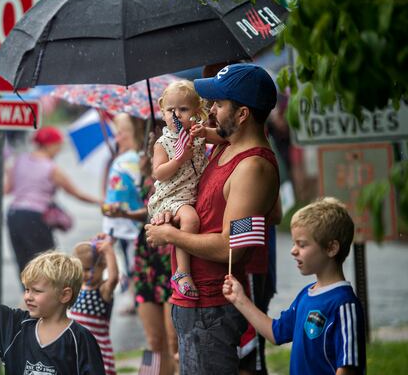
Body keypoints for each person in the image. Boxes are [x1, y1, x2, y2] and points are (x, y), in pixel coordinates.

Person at [144, 63, 280, 374]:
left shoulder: (252, 168)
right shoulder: (226, 146)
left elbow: (233, 248)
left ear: (242, 114)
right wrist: (169, 211)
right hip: (194, 301)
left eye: (219, 104)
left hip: (211, 307)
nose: (211, 110)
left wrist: (170, 236)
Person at [223, 197, 366, 375]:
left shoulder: (344, 304)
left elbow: (347, 366)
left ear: (331, 248)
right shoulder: (305, 296)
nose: (293, 250)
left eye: (302, 244)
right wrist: (240, 299)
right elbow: (276, 333)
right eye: (293, 243)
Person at [0, 247, 106, 375]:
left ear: (64, 295)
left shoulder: (80, 339)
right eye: (27, 289)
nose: (28, 297)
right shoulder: (17, 325)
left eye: (37, 291)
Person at [104, 120, 179, 375]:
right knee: (154, 341)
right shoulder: (145, 175)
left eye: (152, 144)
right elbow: (148, 213)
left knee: (173, 341)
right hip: (146, 257)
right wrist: (124, 213)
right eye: (146, 144)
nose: (146, 150)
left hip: (171, 259)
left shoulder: (178, 173)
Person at [148, 79, 224, 300]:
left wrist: (205, 132)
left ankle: (184, 269)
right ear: (162, 112)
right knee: (190, 221)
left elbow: (224, 137)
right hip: (173, 195)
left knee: (194, 218)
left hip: (193, 192)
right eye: (170, 110)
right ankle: (182, 272)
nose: (176, 115)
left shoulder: (196, 133)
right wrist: (180, 159)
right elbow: (159, 173)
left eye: (183, 109)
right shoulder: (164, 142)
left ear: (196, 111)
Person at [5, 126, 102, 279]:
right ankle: (44, 299)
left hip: (14, 215)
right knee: (46, 264)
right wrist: (100, 202)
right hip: (34, 218)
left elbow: (7, 189)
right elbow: (75, 193)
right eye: (58, 146)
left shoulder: (19, 160)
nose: (59, 151)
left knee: (23, 263)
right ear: (50, 145)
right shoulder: (51, 168)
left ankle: (28, 296)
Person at [101, 113, 145, 307]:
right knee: (130, 263)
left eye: (120, 134)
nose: (116, 138)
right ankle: (135, 298)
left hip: (130, 223)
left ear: (132, 133)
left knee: (132, 264)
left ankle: (136, 299)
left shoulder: (130, 160)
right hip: (126, 222)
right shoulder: (128, 159)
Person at [70, 235, 119, 375]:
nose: (83, 274)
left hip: (98, 352)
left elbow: (114, 279)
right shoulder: (76, 288)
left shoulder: (103, 290)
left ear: (102, 265)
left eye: (87, 269)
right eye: (80, 269)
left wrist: (109, 252)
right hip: (77, 350)